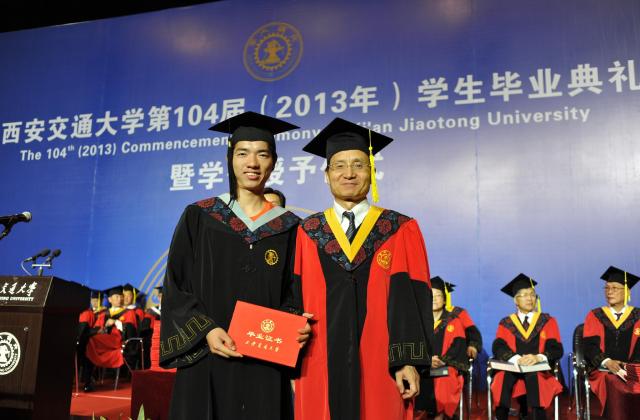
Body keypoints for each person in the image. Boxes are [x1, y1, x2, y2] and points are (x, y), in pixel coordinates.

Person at [160, 111, 311, 420]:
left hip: (264, 359)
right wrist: (206, 330)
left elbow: (296, 292)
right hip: (207, 355)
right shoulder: (200, 216)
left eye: (262, 154)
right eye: (243, 153)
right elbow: (177, 284)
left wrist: (295, 324)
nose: (252, 163)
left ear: (274, 162)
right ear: (230, 159)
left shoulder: (290, 227)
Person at [293, 118, 433, 420]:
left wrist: (407, 360)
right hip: (319, 362)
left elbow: (412, 299)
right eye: (339, 166)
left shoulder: (399, 228)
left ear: (371, 171)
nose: (349, 173)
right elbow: (293, 299)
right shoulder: (307, 232)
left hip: (381, 363)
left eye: (358, 165)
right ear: (326, 175)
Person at [491, 274, 563, 420]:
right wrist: (516, 359)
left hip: (538, 368)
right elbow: (498, 346)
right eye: (524, 295)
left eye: (532, 294)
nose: (530, 298)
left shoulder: (547, 321)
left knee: (535, 377)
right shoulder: (506, 323)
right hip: (513, 367)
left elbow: (556, 348)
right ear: (515, 300)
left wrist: (538, 357)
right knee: (501, 379)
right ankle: (501, 416)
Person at [583, 266, 640, 416]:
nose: (609, 292)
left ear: (627, 291)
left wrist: (628, 367)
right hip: (603, 370)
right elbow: (589, 346)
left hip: (633, 369)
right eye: (607, 288)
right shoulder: (595, 315)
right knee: (612, 381)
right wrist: (606, 361)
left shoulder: (638, 316)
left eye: (614, 288)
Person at [416, 277, 468, 419]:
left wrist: (441, 360)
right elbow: (414, 344)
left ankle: (440, 415)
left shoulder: (454, 321)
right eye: (431, 295)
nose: (434, 299)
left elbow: (458, 347)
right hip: (421, 364)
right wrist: (426, 359)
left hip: (444, 366)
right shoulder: (419, 321)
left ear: (445, 300)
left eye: (438, 295)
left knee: (446, 376)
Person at [83, 285, 138, 391]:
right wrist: (101, 329)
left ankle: (88, 379)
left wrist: (116, 322)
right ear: (109, 299)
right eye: (117, 296)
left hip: (118, 340)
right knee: (90, 341)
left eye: (121, 296)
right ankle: (88, 380)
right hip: (104, 341)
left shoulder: (129, 313)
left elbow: (131, 331)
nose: (120, 298)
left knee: (91, 341)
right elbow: (97, 328)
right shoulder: (104, 314)